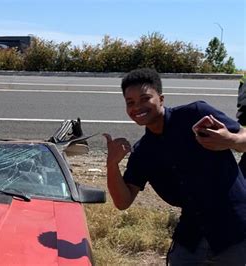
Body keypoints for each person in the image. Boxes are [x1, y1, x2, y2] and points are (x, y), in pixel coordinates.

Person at [103, 68, 246, 265]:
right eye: (131, 102)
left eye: (145, 98)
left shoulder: (196, 115)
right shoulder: (143, 151)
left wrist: (231, 139)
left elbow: (243, 136)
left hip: (236, 230)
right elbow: (123, 201)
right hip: (191, 236)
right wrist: (112, 165)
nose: (137, 107)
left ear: (161, 99)